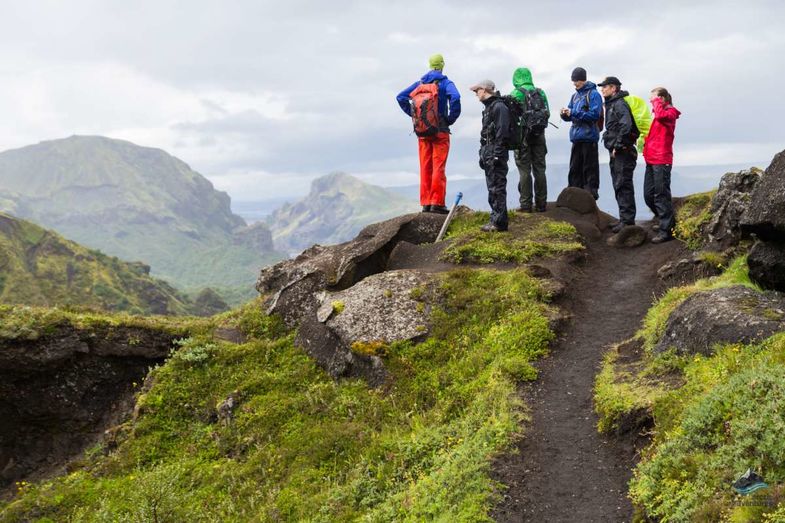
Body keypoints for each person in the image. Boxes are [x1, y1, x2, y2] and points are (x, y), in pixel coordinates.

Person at [396, 54, 461, 214]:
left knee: (425, 166)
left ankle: (426, 203)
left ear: (430, 65)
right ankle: (437, 203)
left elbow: (401, 97)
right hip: (440, 131)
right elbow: (456, 98)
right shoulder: (446, 83)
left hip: (423, 132)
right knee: (438, 166)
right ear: (442, 65)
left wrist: (416, 117)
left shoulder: (420, 84)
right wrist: (449, 119)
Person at [598, 76, 640, 233]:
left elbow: (626, 125)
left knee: (623, 184)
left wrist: (618, 145)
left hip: (623, 152)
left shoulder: (619, 104)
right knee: (619, 184)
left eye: (605, 87)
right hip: (617, 151)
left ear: (614, 88)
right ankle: (624, 219)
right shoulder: (612, 104)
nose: (602, 89)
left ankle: (628, 222)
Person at [643, 87, 681, 243]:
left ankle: (667, 231)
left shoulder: (670, 113)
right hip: (652, 159)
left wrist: (656, 101)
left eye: (654, 99)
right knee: (648, 194)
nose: (652, 102)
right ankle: (664, 220)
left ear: (663, 99)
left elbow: (660, 115)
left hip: (662, 160)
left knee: (661, 195)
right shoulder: (660, 114)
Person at [472, 79, 510, 232]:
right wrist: (483, 153)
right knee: (492, 187)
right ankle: (495, 219)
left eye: (477, 91)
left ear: (485, 90)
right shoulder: (489, 108)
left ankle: (499, 222)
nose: (476, 94)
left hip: (496, 153)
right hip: (489, 152)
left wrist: (496, 155)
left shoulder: (499, 107)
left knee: (497, 187)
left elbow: (503, 132)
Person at [510, 67, 549, 212]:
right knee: (540, 169)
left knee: (524, 170)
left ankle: (526, 204)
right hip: (540, 135)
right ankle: (541, 204)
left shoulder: (516, 94)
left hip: (522, 137)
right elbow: (548, 113)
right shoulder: (541, 92)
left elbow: (511, 118)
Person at [560, 67, 603, 199]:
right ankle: (573, 192)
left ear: (583, 79)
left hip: (589, 137)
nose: (575, 83)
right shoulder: (575, 96)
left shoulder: (594, 94)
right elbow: (571, 114)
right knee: (574, 167)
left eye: (577, 80)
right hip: (576, 137)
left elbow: (595, 115)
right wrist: (565, 115)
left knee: (589, 168)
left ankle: (590, 194)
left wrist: (573, 113)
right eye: (573, 80)